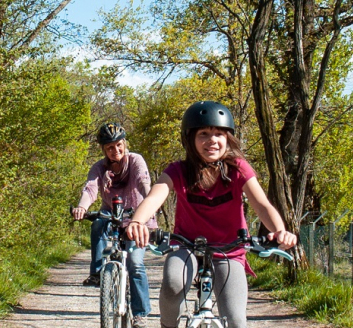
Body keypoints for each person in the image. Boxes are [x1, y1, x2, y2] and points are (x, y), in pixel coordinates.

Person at [124, 101, 297, 328]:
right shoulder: (178, 171)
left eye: (219, 134)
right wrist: (138, 221)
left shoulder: (238, 168)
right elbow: (155, 197)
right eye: (203, 134)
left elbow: (262, 204)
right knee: (174, 283)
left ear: (228, 138)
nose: (212, 140)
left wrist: (280, 231)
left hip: (229, 250)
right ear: (190, 140)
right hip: (185, 247)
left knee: (235, 319)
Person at [71, 122, 154, 328]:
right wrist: (82, 207)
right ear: (103, 150)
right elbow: (90, 189)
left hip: (137, 217)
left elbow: (144, 182)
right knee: (98, 223)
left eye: (119, 145)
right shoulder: (99, 168)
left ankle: (140, 313)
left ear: (125, 144)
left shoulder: (135, 161)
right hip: (111, 215)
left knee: (135, 263)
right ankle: (98, 272)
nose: (115, 150)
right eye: (110, 147)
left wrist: (152, 201)